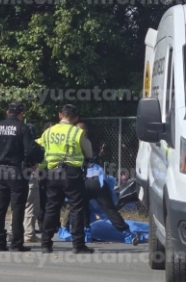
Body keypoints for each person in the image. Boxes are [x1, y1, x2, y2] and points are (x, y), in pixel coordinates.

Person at [37, 104, 93, 254]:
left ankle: (46, 244)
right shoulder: (77, 132)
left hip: (52, 173)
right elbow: (89, 152)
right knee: (76, 208)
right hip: (72, 174)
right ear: (76, 118)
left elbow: (37, 146)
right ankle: (78, 245)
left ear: (60, 115)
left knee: (51, 208)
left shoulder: (48, 132)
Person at [0, 102, 39, 252]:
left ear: (7, 112)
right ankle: (16, 243)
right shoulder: (23, 128)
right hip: (16, 171)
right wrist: (31, 164)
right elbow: (30, 151)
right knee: (17, 208)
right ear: (21, 114)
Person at [78, 121, 139, 245]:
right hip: (97, 179)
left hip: (82, 180)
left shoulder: (74, 145)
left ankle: (86, 235)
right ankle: (128, 234)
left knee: (83, 209)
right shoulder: (90, 143)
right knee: (109, 209)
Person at [24, 124, 42, 243]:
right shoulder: (31, 145)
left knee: (17, 206)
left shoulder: (14, 143)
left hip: (14, 176)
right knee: (31, 206)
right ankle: (29, 234)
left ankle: (13, 232)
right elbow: (37, 160)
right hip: (29, 175)